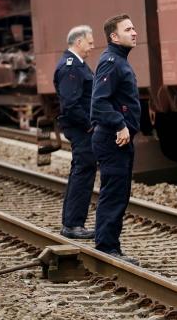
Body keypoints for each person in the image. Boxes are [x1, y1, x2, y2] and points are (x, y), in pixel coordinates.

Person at [90, 14, 141, 264]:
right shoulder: (111, 62)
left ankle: (110, 246)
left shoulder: (119, 61)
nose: (134, 32)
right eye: (128, 29)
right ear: (114, 36)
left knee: (119, 194)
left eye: (133, 28)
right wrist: (120, 124)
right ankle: (107, 248)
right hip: (113, 139)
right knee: (114, 194)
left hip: (119, 139)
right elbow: (98, 102)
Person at [55, 25, 97, 239]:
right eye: (90, 42)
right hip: (81, 130)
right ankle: (72, 225)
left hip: (83, 128)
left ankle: (72, 223)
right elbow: (70, 104)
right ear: (78, 42)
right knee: (83, 172)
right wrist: (90, 124)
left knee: (82, 171)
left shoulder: (77, 64)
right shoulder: (70, 67)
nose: (92, 46)